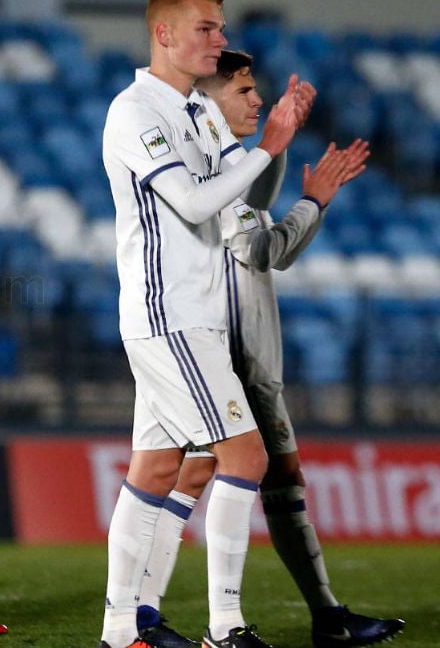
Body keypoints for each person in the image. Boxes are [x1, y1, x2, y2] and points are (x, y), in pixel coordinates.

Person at [133, 49, 402, 648]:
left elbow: (256, 208)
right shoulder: (203, 176)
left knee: (279, 477)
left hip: (251, 360)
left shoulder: (229, 174)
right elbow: (262, 248)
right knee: (194, 474)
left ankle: (326, 616)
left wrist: (277, 149)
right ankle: (153, 617)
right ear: (209, 99)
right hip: (218, 357)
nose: (257, 100)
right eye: (245, 91)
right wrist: (315, 203)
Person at [98, 0, 315, 647]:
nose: (219, 40)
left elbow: (233, 200)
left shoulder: (200, 113)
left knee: (156, 472)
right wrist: (269, 144)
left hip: (198, 319)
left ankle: (117, 632)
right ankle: (226, 627)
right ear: (164, 34)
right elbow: (193, 205)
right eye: (206, 29)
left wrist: (267, 156)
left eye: (219, 28)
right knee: (244, 457)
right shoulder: (136, 111)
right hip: (169, 317)